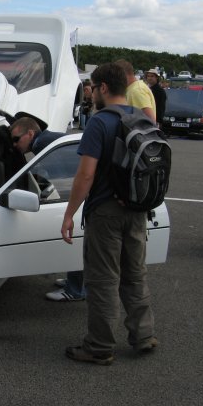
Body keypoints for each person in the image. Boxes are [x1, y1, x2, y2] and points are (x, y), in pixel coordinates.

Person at [60, 62, 157, 365]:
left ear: (103, 88)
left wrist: (69, 213)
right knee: (135, 275)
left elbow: (85, 176)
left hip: (106, 211)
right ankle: (143, 336)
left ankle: (100, 346)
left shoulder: (99, 123)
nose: (89, 94)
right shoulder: (141, 117)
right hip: (137, 209)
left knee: (103, 280)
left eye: (92, 87)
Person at [10, 116, 85, 302]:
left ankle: (75, 290)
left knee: (76, 238)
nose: (14, 145)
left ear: (30, 133)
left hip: (84, 191)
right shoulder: (47, 138)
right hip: (85, 187)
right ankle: (76, 283)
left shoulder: (41, 145)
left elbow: (57, 174)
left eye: (16, 139)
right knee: (79, 240)